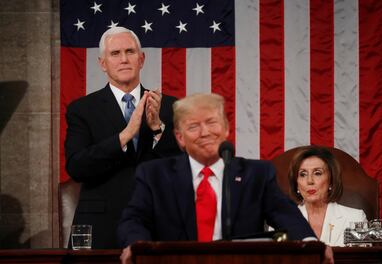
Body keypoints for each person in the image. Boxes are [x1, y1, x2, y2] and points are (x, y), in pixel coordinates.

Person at [117, 93, 333, 263]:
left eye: (212, 123)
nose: (205, 132)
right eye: (193, 126)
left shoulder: (256, 174)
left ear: (226, 128)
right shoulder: (154, 175)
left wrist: (311, 244)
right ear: (180, 138)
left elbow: (285, 214)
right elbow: (134, 220)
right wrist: (138, 247)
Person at [64, 26, 181, 249]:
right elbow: (77, 167)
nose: (124, 59)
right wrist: (125, 136)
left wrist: (157, 128)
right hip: (102, 225)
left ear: (142, 58)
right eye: (115, 54)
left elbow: (182, 167)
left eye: (130, 51)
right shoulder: (82, 109)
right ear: (102, 63)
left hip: (157, 222)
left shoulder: (170, 107)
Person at [288, 145, 367, 247]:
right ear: (296, 183)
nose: (310, 181)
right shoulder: (281, 222)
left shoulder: (355, 218)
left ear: (331, 180)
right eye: (303, 174)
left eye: (317, 173)